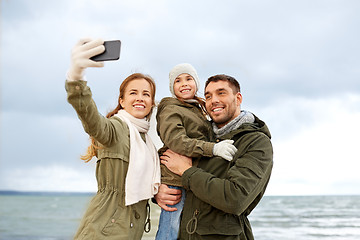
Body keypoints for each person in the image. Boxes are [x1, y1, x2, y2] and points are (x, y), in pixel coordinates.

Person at [157, 74, 273, 240]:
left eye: (221, 93)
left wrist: (186, 171)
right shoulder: (200, 136)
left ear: (238, 98)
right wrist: (159, 192)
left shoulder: (256, 141)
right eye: (208, 96)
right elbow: (167, 155)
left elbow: (235, 198)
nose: (213, 100)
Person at [65, 38, 160, 240]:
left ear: (152, 102)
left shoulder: (148, 141)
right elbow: (92, 120)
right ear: (122, 101)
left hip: (131, 231)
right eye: (133, 93)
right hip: (104, 229)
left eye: (146, 94)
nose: (140, 98)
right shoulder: (117, 128)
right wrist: (76, 76)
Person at [155, 64, 237, 240]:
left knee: (184, 228)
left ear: (196, 83)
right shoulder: (171, 108)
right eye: (178, 81)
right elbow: (176, 141)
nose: (184, 84)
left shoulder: (197, 108)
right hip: (175, 179)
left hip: (190, 177)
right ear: (172, 87)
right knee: (170, 229)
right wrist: (213, 149)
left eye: (188, 79)